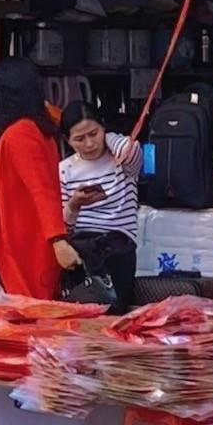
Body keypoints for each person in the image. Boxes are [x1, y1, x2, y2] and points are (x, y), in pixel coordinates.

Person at [0, 61, 69, 302]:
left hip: (26, 246)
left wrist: (58, 239)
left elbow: (42, 191)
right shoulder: (38, 130)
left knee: (30, 316)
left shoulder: (21, 133)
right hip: (32, 243)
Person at [55, 102, 142, 308]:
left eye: (94, 133)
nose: (89, 144)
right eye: (79, 139)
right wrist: (75, 205)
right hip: (82, 246)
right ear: (68, 140)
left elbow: (132, 149)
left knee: (115, 307)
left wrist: (109, 136)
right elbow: (63, 226)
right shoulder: (64, 170)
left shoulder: (122, 161)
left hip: (117, 243)